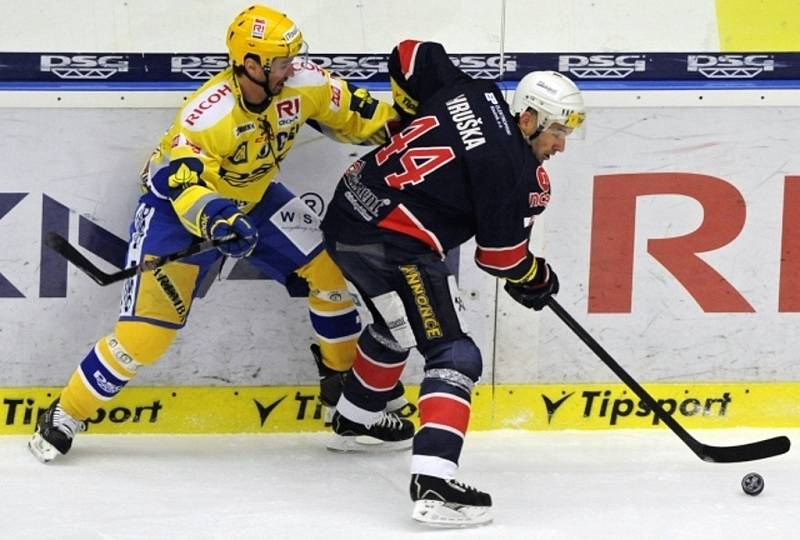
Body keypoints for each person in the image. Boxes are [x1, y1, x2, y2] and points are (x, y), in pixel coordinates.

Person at [28, 4, 413, 463]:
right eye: (281, 61)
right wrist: (216, 218)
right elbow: (183, 184)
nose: (292, 67)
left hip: (255, 198)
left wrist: (418, 125)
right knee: (145, 338)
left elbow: (362, 115)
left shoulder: (303, 82)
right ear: (251, 64)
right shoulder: (207, 114)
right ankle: (65, 413)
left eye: (292, 57)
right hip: (176, 210)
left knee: (330, 275)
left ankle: (345, 402)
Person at [320, 40, 585, 526]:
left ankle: (354, 418)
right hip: (395, 243)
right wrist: (537, 277)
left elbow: (410, 53)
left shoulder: (473, 91)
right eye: (556, 132)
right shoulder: (513, 168)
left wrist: (407, 114)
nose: (560, 145)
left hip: (345, 216)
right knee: (454, 353)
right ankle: (435, 483)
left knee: (399, 324)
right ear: (527, 119)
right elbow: (501, 257)